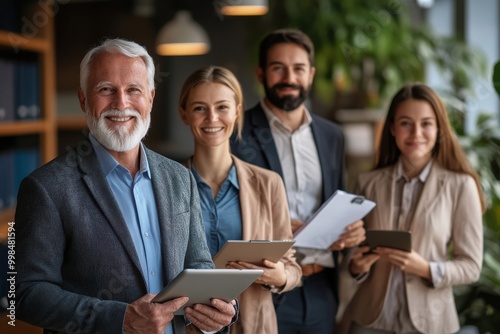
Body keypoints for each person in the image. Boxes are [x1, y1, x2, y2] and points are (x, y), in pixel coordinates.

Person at [14, 38, 237, 334]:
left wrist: (219, 310)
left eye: (134, 90)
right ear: (83, 99)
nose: (121, 103)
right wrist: (120, 319)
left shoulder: (179, 177)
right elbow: (26, 294)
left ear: (151, 98)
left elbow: (198, 265)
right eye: (106, 90)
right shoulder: (46, 187)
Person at [230, 28, 366, 334]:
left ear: (311, 74)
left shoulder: (332, 135)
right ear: (261, 73)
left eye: (298, 68)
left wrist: (350, 231)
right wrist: (278, 224)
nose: (289, 77)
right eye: (278, 68)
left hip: (322, 289)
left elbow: (336, 201)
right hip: (264, 287)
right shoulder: (236, 134)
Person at [341, 83, 485, 334]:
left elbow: (471, 266)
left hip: (430, 323)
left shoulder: (461, 186)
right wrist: (357, 267)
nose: (416, 133)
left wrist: (427, 269)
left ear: (439, 129)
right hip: (369, 322)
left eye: (426, 123)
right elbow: (349, 253)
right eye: (406, 123)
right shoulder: (367, 183)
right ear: (393, 128)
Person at [178, 65, 302, 334]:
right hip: (185, 326)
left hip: (254, 326)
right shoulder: (165, 185)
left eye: (222, 107)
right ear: (184, 113)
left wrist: (280, 276)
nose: (212, 117)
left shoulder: (269, 184)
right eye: (200, 108)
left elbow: (292, 267)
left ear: (237, 110)